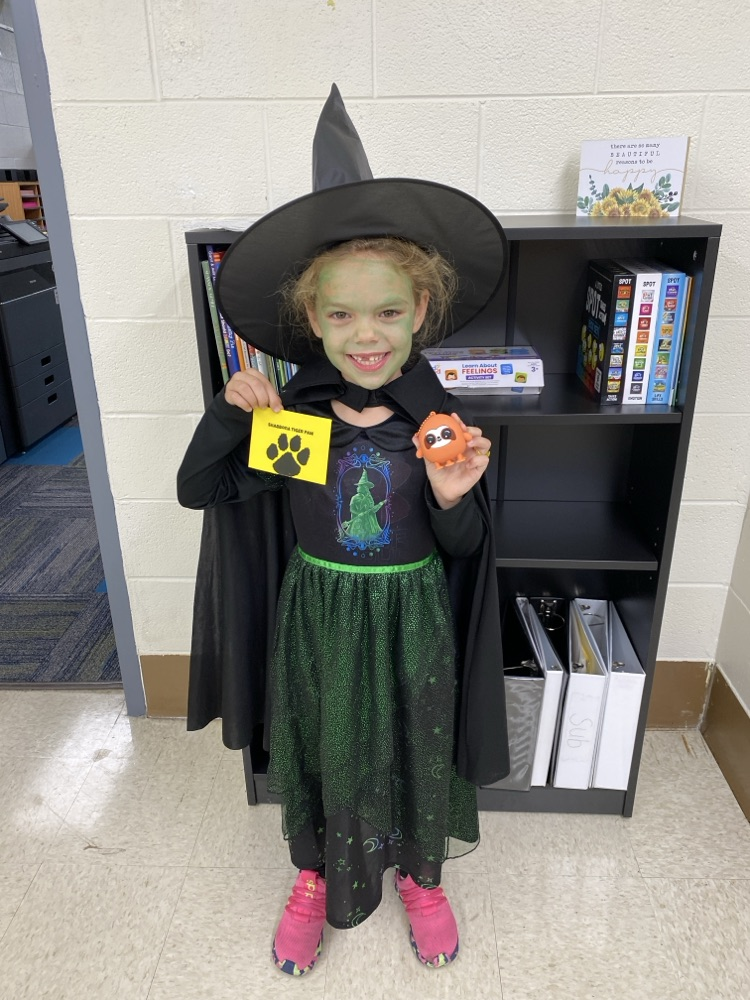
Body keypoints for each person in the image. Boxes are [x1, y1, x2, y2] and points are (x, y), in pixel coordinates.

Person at [177, 86, 510, 976]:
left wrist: (452, 497)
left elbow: (472, 553)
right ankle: (315, 875)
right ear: (311, 320)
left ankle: (421, 875)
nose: (366, 336)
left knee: (414, 741)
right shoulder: (302, 424)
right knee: (323, 745)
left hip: (414, 618)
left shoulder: (436, 423)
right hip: (317, 616)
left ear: (422, 312)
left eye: (389, 312)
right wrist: (228, 415)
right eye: (341, 315)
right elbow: (197, 489)